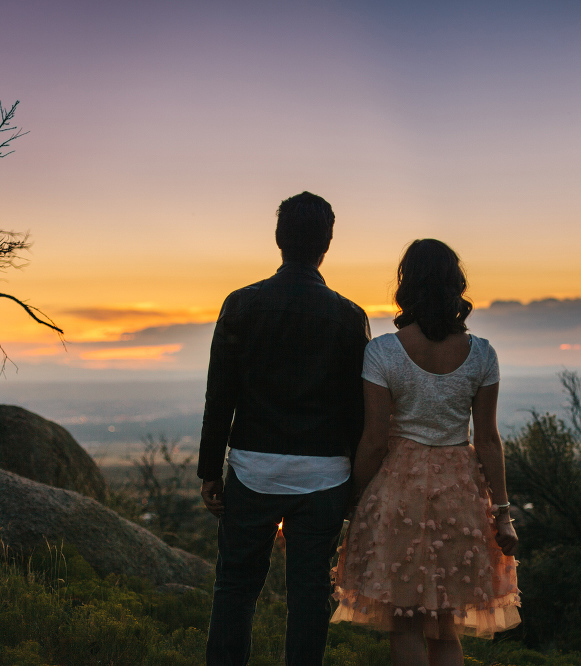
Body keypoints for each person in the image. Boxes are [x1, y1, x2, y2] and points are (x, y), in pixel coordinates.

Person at [198, 192, 371, 666]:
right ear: (327, 244)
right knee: (311, 593)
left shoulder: (241, 304)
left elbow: (221, 397)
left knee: (235, 586)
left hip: (253, 469)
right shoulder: (350, 317)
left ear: (278, 239)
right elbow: (357, 411)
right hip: (326, 476)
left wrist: (210, 471)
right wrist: (355, 482)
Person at [331, 238, 520, 666]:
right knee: (446, 625)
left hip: (399, 487)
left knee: (408, 624)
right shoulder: (483, 354)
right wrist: (503, 511)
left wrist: (356, 497)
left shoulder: (382, 351)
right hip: (461, 492)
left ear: (407, 286)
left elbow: (375, 439)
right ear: (456, 285)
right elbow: (488, 439)